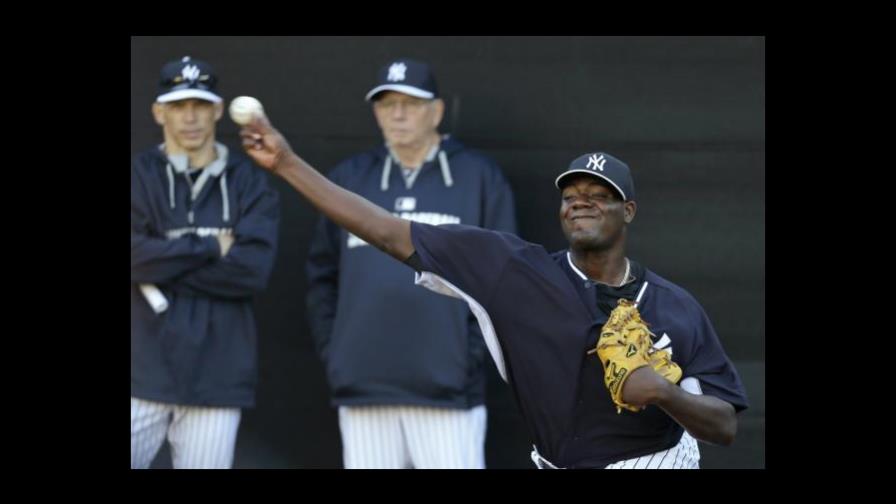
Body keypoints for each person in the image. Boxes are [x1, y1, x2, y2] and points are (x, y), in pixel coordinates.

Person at [239, 113, 748, 469]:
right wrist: (286, 163)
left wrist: (663, 391)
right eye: (571, 196)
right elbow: (388, 231)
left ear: (628, 211)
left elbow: (724, 425)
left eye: (600, 197)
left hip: (654, 463)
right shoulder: (514, 275)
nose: (581, 204)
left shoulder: (674, 307)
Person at [305, 58, 517, 469]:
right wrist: (340, 354)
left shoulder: (479, 177)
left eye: (411, 103)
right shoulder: (349, 178)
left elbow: (503, 279)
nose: (397, 114)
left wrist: (465, 359)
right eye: (387, 104)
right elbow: (322, 276)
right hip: (363, 386)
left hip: (448, 391)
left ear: (437, 111)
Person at [130, 56, 280, 469]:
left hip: (218, 377)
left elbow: (252, 270)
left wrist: (161, 259)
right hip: (139, 373)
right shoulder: (138, 175)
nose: (190, 117)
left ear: (217, 108)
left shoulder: (248, 181)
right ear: (159, 112)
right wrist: (211, 248)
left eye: (200, 105)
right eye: (179, 106)